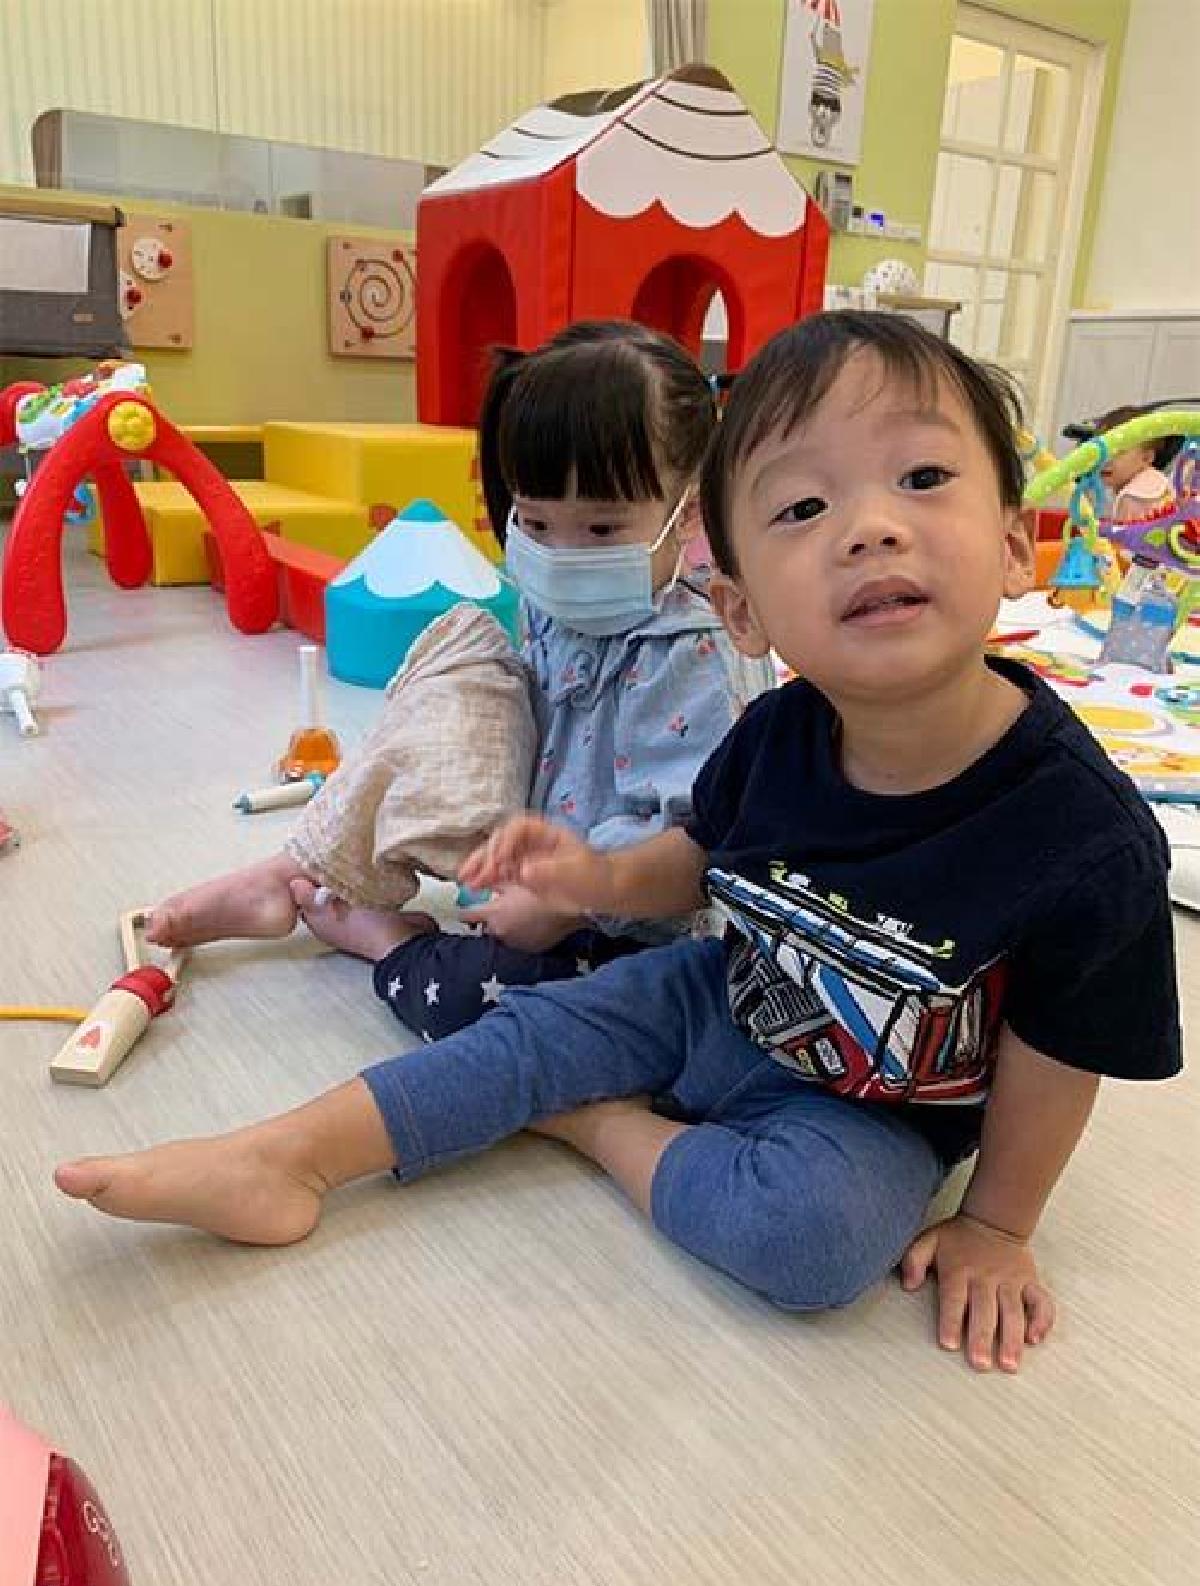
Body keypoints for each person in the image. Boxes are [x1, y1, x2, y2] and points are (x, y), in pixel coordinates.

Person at [55, 312, 1182, 1373]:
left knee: (808, 1245)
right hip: (717, 993)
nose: (871, 526)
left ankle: (595, 1124)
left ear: (1015, 544)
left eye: (923, 478)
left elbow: (1057, 1055)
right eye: (803, 507)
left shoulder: (1084, 833)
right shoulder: (779, 730)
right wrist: (593, 874)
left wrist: (998, 1224)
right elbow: (695, 857)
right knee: (525, 1025)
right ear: (741, 608)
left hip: (875, 1105)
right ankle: (283, 1157)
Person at [144, 321, 764, 1041]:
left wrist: (563, 901)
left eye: (601, 530)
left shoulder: (692, 649)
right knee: (464, 650)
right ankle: (293, 871)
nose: (561, 554)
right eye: (536, 523)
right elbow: (495, 735)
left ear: (687, 510)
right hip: (527, 857)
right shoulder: (555, 600)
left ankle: (388, 943)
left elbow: (690, 850)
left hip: (632, 925)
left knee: (487, 1008)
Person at [1087, 404, 1181, 523]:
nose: (1105, 460)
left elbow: (1122, 534)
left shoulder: (1133, 498)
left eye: (1118, 452)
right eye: (1101, 451)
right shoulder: (1155, 481)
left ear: (1146, 458)